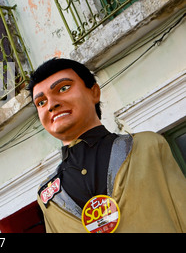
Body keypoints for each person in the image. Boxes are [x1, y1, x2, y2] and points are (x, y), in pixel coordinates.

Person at [27, 57, 186, 233]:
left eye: (63, 88)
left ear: (94, 92)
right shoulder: (47, 195)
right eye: (41, 102)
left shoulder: (147, 146)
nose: (51, 105)